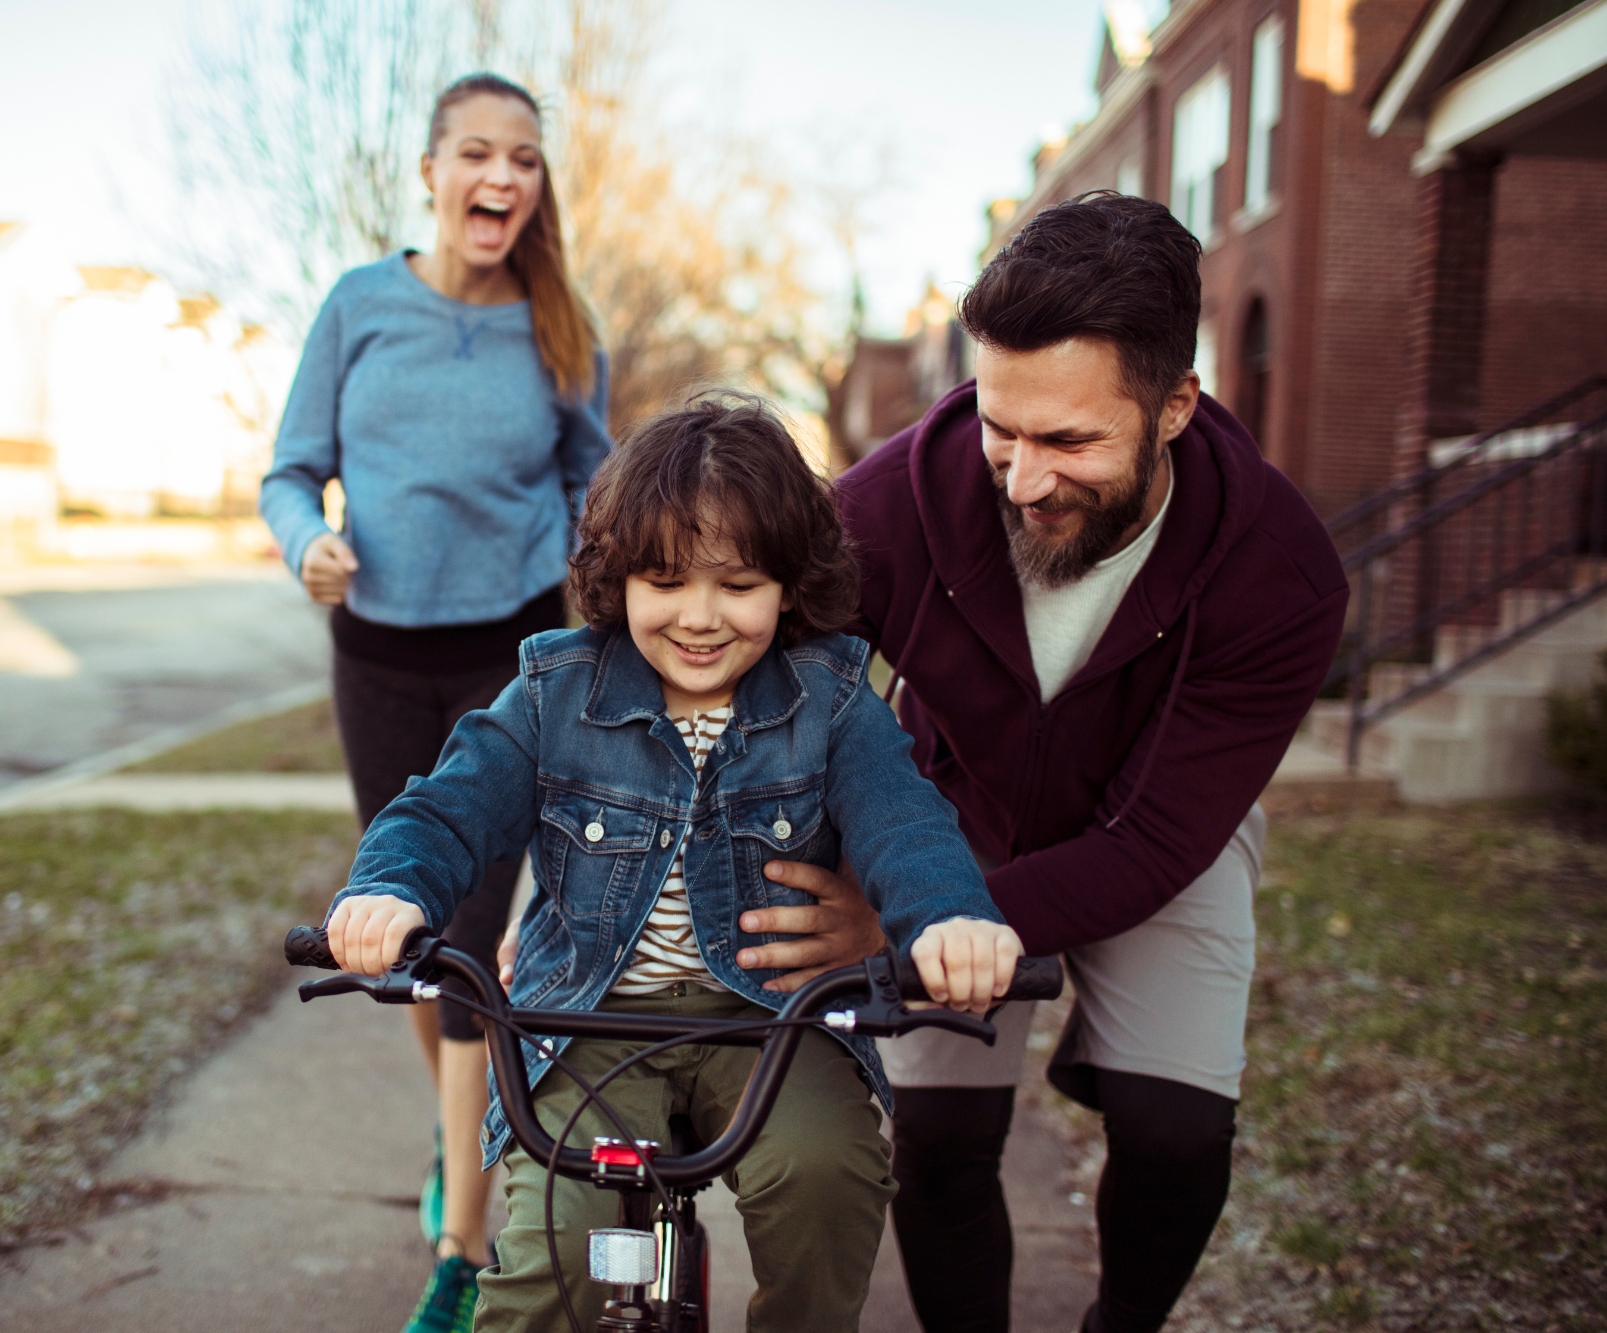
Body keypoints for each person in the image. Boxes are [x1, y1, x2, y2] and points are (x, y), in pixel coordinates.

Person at [731, 194, 1349, 1333]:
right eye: (998, 429)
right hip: (950, 820)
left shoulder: (1281, 574)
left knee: (1175, 1131)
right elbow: (750, 693)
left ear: (1173, 406)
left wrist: (900, 924)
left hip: (1163, 830)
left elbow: (1155, 840)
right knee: (940, 1140)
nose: (1019, 478)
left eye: (1067, 441)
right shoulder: (882, 512)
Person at [322, 395, 1024, 1333]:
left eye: (737, 586)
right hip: (590, 1023)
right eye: (664, 580)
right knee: (550, 1248)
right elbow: (447, 807)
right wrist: (388, 888)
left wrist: (946, 917)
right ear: (617, 581)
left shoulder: (832, 698)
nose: (700, 618)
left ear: (788, 585)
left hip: (776, 1022)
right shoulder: (554, 689)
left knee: (828, 1178)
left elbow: (905, 820)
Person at [259, 72, 612, 1333]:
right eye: (477, 153)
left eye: (524, 158)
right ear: (429, 171)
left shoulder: (561, 326)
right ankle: (455, 1132)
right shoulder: (357, 305)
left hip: (509, 652)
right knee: (411, 936)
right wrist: (306, 540)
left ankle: (464, 1240)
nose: (503, 178)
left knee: (474, 943)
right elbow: (291, 469)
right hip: (379, 655)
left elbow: (600, 489)